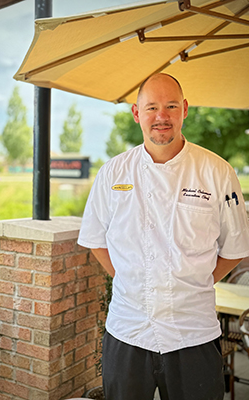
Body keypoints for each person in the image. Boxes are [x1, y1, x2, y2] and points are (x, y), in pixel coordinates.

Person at [77, 73, 249, 400]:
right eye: (152, 107)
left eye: (171, 105)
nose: (162, 116)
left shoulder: (217, 172)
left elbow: (236, 248)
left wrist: (194, 280)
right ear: (136, 113)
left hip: (193, 334)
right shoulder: (113, 173)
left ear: (184, 109)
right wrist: (130, 279)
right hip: (127, 332)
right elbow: (96, 239)